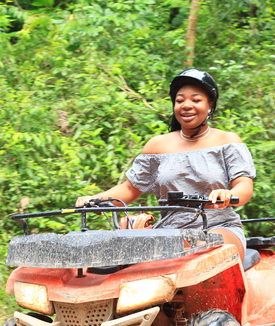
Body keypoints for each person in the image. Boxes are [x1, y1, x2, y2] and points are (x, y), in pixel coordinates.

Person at [75, 69, 255, 261]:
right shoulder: (157, 145)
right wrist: (94, 199)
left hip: (218, 227)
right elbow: (130, 188)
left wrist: (229, 194)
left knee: (202, 251)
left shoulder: (227, 141)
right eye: (180, 101)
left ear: (210, 105)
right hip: (168, 234)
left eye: (196, 100)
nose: (186, 105)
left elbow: (244, 186)